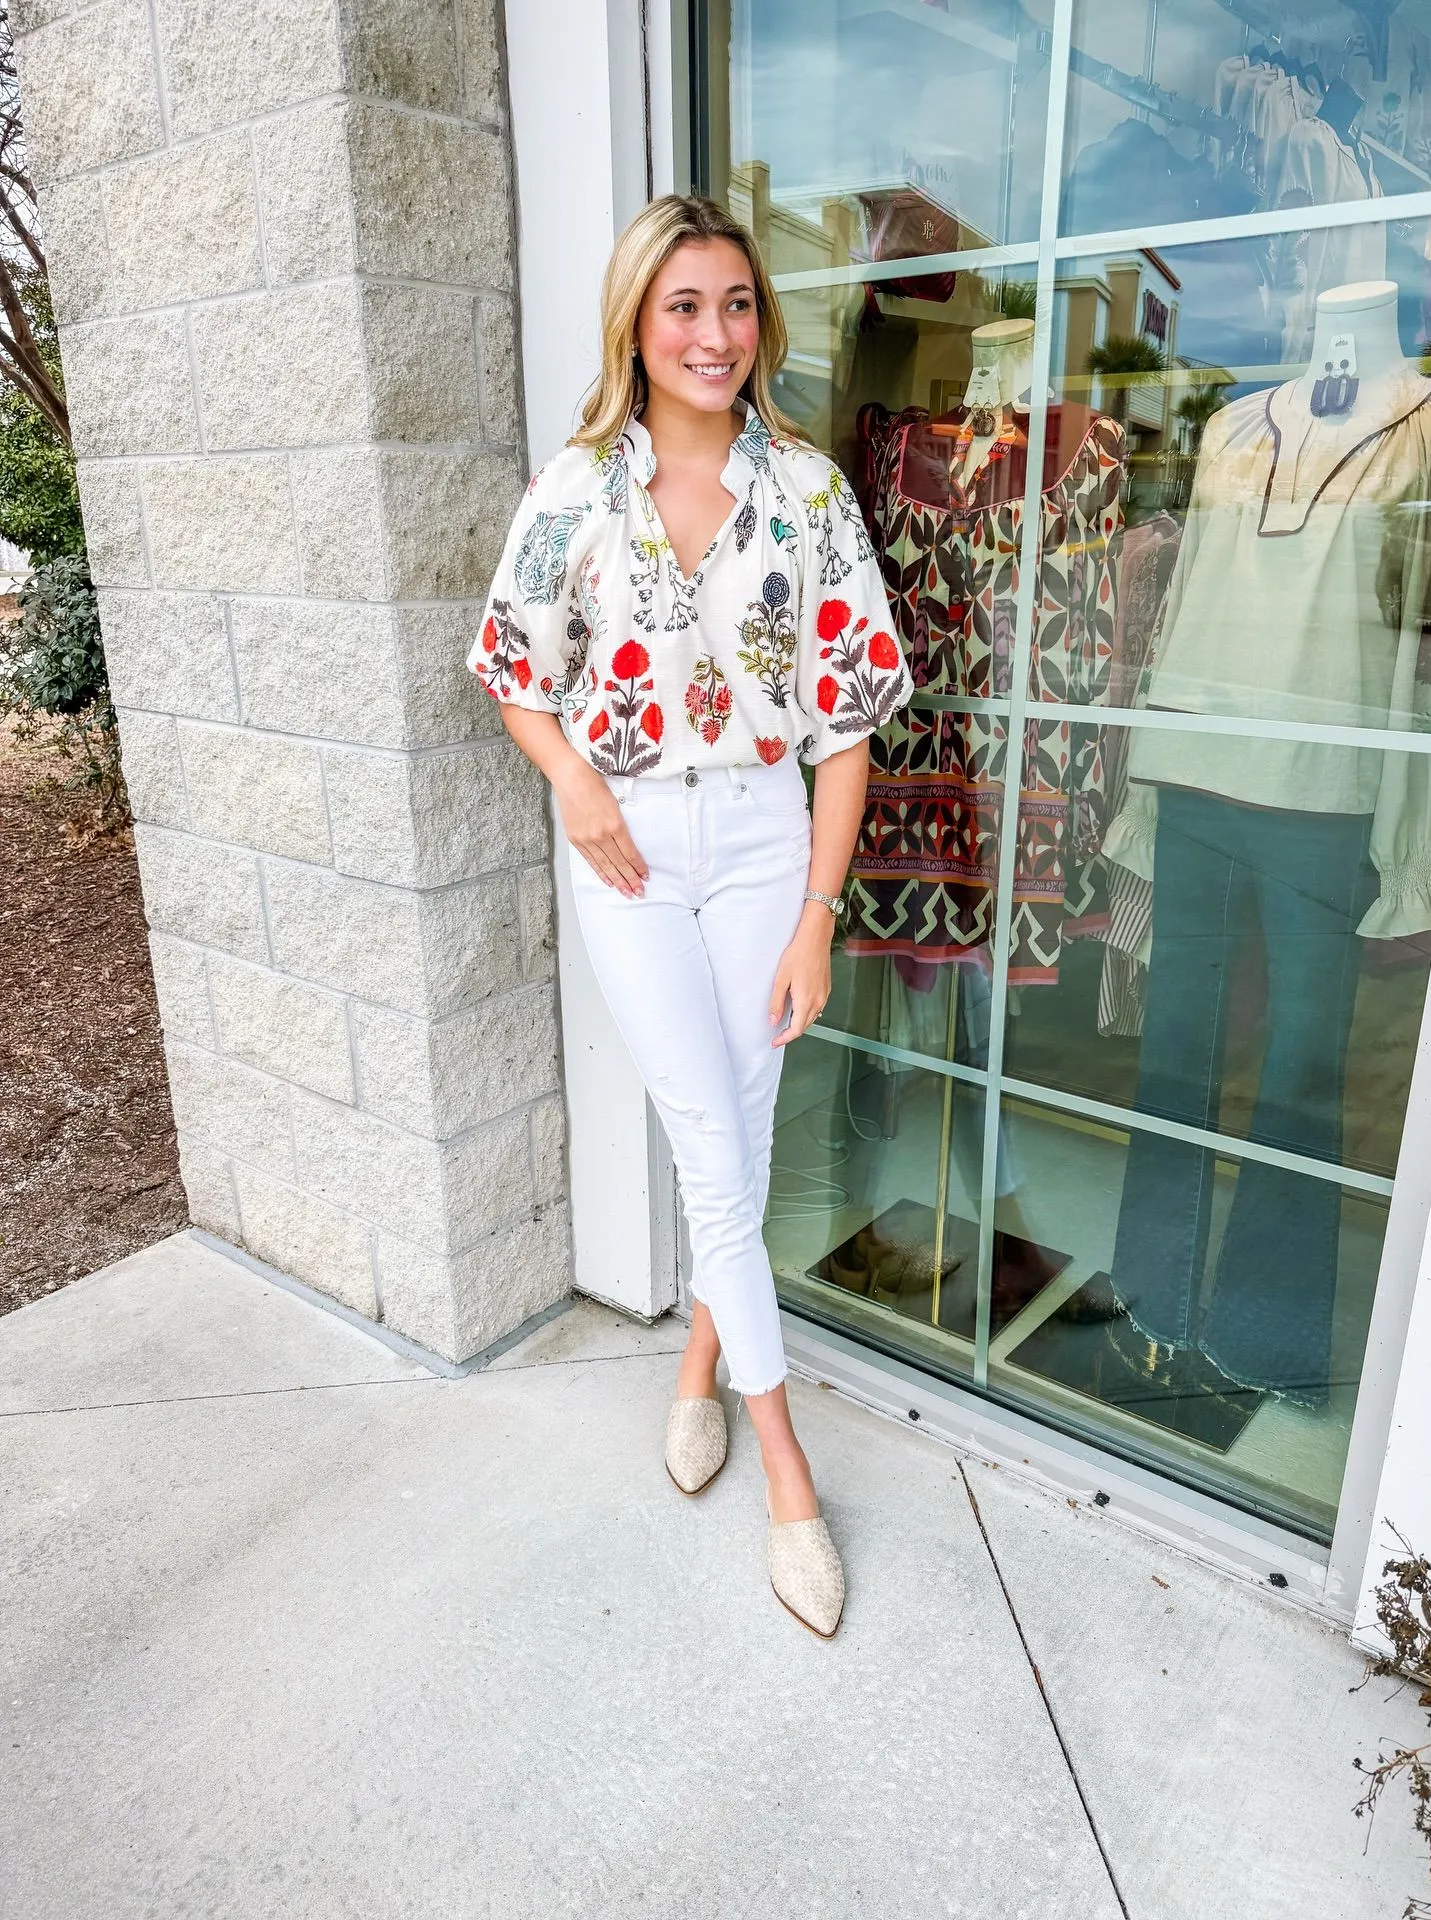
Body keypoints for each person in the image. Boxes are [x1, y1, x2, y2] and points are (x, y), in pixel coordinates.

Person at [468, 194, 911, 1638]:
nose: (715, 334)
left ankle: (696, 1370)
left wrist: (820, 914)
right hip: (634, 850)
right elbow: (514, 672)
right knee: (712, 1148)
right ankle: (789, 1477)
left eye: (735, 304)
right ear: (637, 326)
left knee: (747, 1131)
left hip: (771, 837)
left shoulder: (811, 493)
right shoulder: (576, 488)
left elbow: (848, 725)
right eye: (684, 306)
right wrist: (575, 788)